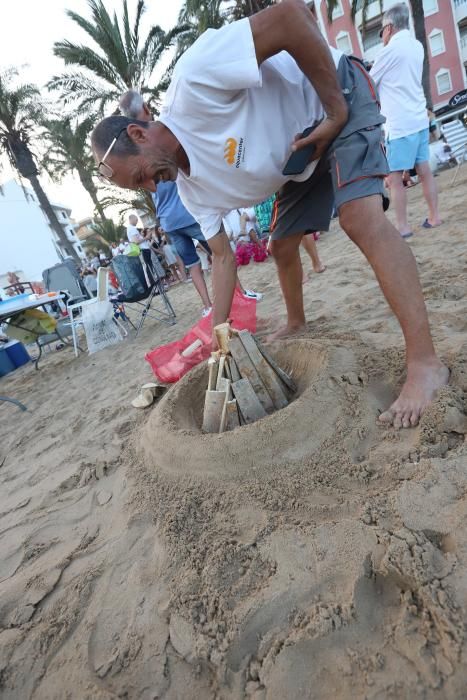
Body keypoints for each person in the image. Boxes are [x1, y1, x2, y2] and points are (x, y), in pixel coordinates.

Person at [92, 0, 448, 428]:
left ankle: (426, 365)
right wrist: (219, 338)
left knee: (359, 219)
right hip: (298, 157)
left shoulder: (194, 82)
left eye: (141, 177)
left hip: (336, 95)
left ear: (137, 133)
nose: (152, 188)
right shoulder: (192, 194)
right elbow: (222, 259)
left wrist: (335, 111)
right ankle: (296, 322)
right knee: (281, 245)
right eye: (140, 188)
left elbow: (292, 16)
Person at [119, 90, 262, 310]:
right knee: (222, 253)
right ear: (146, 108)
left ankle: (207, 307)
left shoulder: (137, 153)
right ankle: (241, 294)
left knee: (193, 265)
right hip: (188, 213)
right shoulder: (162, 137)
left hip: (168, 221)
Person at [370, 3, 442, 237]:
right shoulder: (417, 45)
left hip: (399, 125)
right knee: (424, 171)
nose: (382, 36)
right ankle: (434, 216)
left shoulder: (388, 51)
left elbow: (370, 83)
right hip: (419, 119)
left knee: (395, 179)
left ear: (389, 28)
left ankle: (402, 227)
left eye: (381, 31)